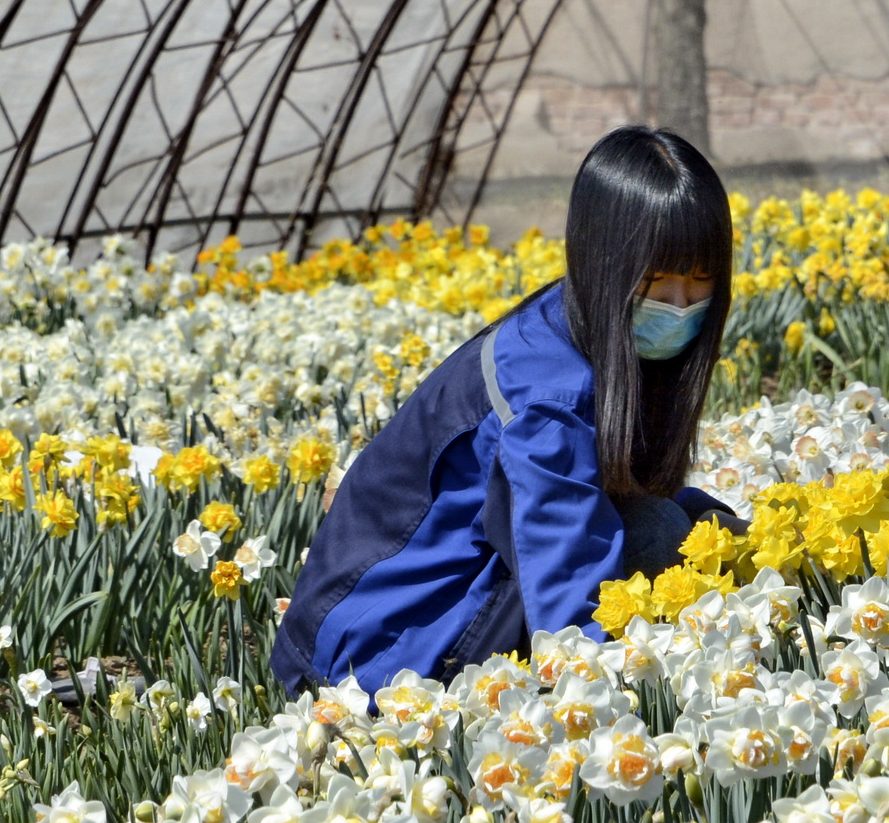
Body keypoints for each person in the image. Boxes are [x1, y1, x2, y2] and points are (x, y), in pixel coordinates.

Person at [273, 126, 743, 693]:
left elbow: (609, 489)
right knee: (657, 534)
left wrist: (733, 535)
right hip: (371, 663)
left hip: (382, 627)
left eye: (699, 282)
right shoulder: (548, 400)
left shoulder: (576, 321)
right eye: (656, 281)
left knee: (684, 527)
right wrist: (613, 705)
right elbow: (571, 588)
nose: (680, 306)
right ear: (606, 263)